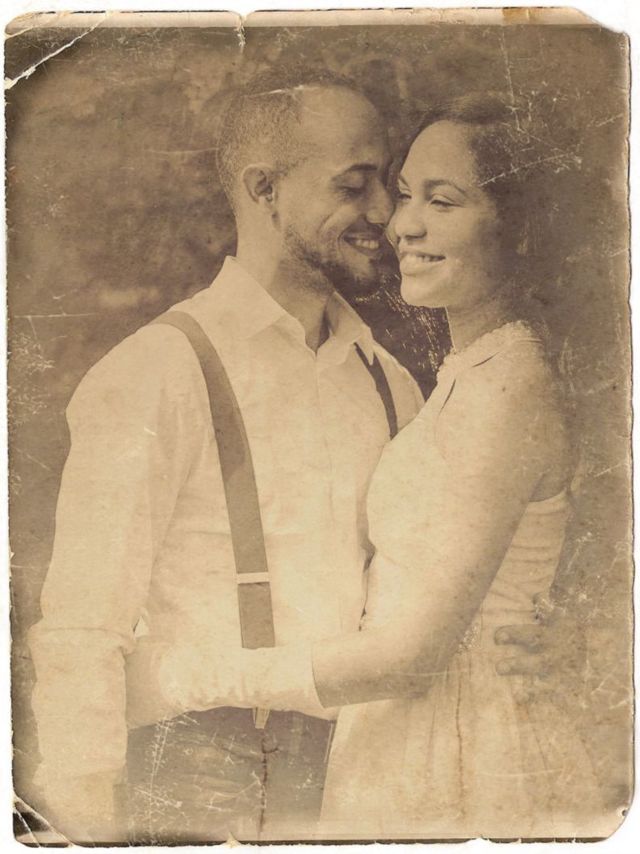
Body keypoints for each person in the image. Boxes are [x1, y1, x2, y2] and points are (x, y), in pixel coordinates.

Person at [28, 74, 556, 844]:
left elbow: (433, 579)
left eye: (386, 185)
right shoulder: (154, 374)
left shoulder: (390, 381)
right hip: (202, 778)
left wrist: (543, 637)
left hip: (366, 770)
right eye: (354, 185)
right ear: (263, 189)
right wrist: (86, 817)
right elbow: (81, 629)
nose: (384, 214)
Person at [141, 95, 606, 839]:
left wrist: (179, 677)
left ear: (520, 227)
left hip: (464, 741)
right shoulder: (461, 375)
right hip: (395, 735)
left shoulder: (512, 386)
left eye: (442, 202)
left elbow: (410, 659)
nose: (402, 224)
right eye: (406, 194)